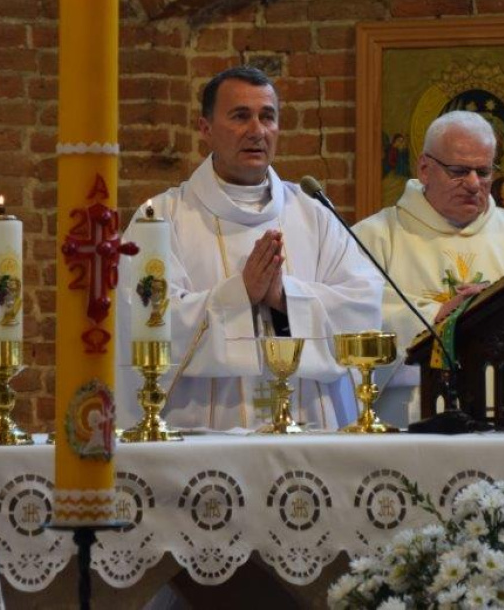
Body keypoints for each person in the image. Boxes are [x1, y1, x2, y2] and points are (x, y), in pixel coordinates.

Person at [117, 67, 382, 431]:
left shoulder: (314, 215)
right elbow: (143, 319)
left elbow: (362, 305)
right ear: (205, 128)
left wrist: (286, 297)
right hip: (206, 438)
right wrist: (239, 295)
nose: (257, 131)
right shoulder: (162, 218)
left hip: (309, 436)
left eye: (267, 117)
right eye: (241, 116)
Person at [353, 110, 504, 425]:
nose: (473, 184)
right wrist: (439, 315)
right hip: (412, 423)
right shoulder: (372, 239)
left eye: (483, 172)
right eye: (458, 171)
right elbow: (351, 319)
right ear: (425, 169)